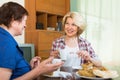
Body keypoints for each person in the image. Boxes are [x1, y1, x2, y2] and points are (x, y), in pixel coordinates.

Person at [0, 2, 63, 80]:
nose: (25, 25)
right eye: (24, 21)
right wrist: (39, 70)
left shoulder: (4, 38)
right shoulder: (6, 43)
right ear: (14, 20)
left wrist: (29, 68)